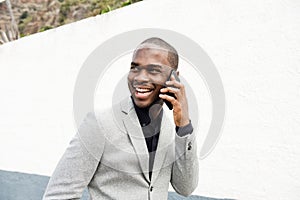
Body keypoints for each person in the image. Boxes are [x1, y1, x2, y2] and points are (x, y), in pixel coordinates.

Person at [43, 37, 199, 200]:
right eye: (135, 68)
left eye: (153, 70)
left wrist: (184, 125)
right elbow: (58, 195)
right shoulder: (100, 123)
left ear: (174, 77)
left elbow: (185, 188)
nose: (140, 78)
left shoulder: (171, 129)